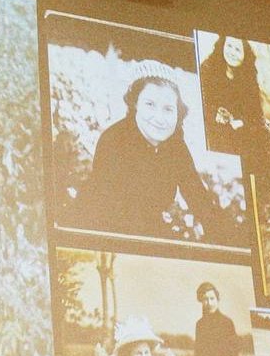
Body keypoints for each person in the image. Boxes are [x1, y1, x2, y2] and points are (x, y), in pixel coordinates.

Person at [73, 70, 232, 243]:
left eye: (168, 109)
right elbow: (111, 208)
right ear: (135, 104)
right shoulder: (114, 139)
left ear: (178, 113)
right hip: (101, 230)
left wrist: (227, 241)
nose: (159, 118)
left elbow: (198, 197)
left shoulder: (175, 145)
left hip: (147, 231)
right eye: (150, 105)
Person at [198, 34, 270, 160]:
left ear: (245, 54)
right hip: (215, 126)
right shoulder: (207, 68)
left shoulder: (248, 77)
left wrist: (242, 122)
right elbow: (202, 104)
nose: (232, 52)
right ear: (222, 45)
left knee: (266, 138)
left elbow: (255, 112)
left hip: (241, 126)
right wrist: (219, 117)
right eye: (229, 46)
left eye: (237, 50)